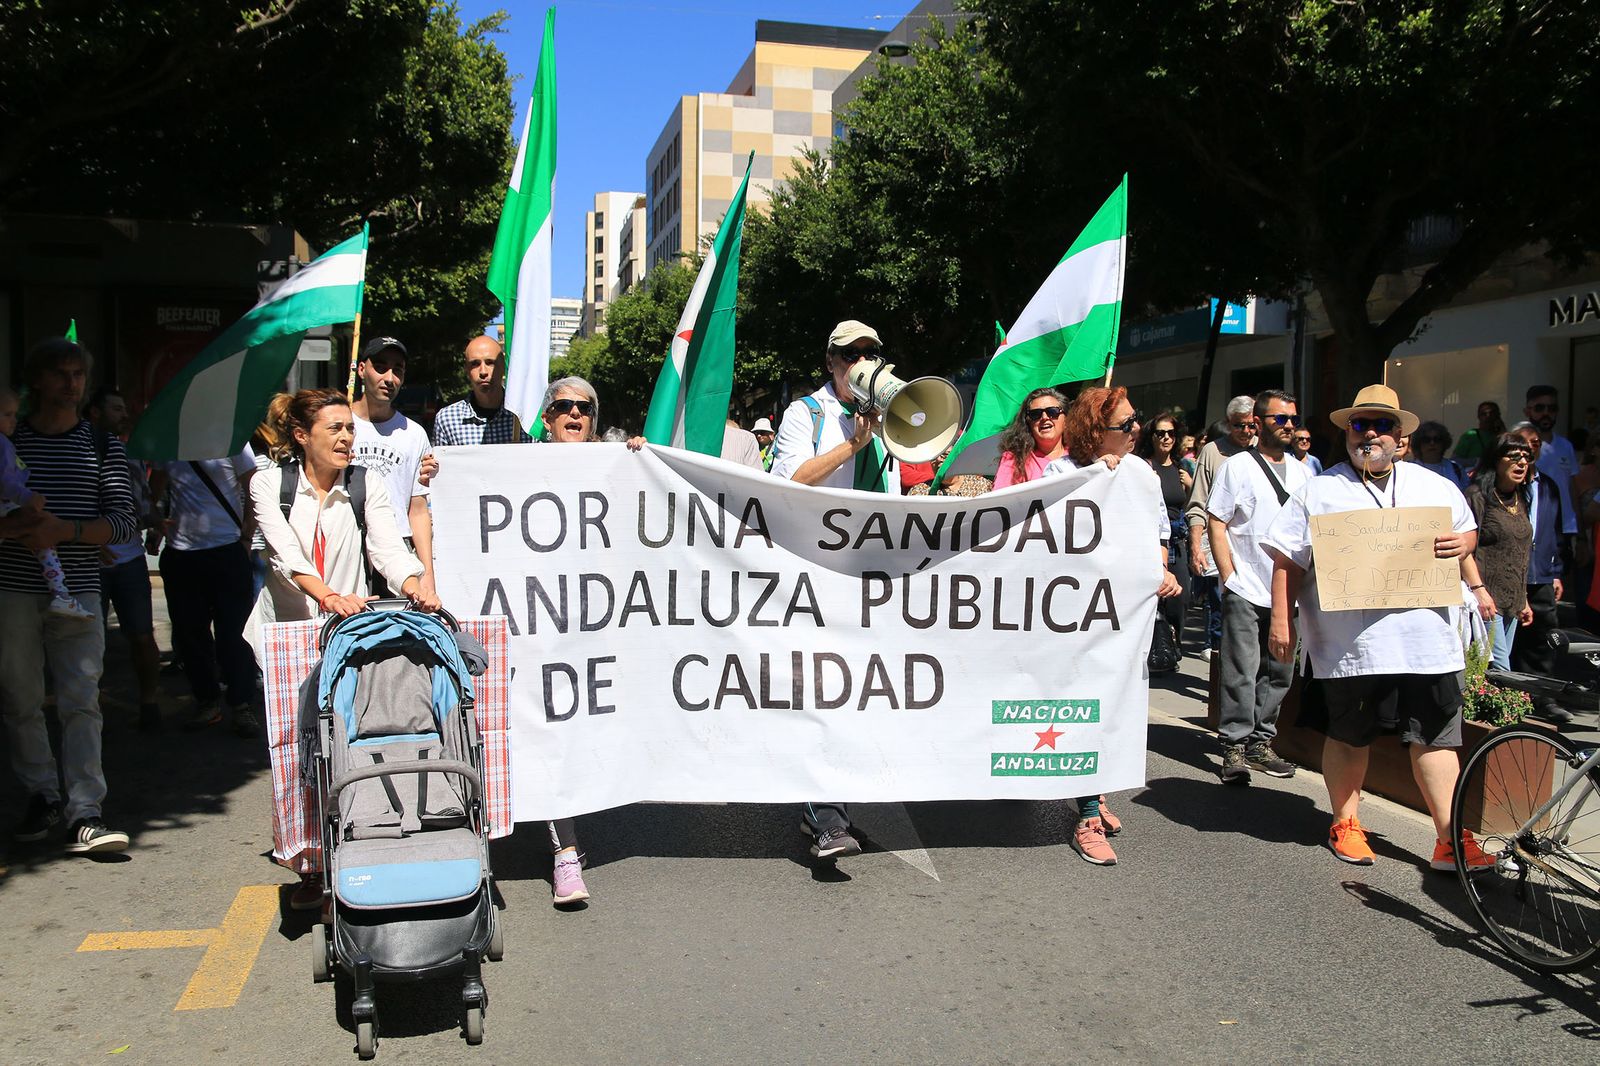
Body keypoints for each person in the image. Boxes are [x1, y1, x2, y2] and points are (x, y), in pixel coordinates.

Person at [1264, 384, 1495, 872]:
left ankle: (1450, 839)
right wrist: (1281, 622)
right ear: (1347, 432)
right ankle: (1345, 822)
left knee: (1436, 738)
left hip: (1428, 641)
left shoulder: (1436, 486)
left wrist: (1464, 544)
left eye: (1382, 425)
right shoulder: (1319, 490)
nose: (1370, 433)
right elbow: (1287, 560)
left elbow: (1467, 529)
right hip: (1353, 646)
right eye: (1359, 424)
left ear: (1402, 438)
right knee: (1350, 734)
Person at [247, 388, 439, 909]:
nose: (346, 437)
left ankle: (351, 850)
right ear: (301, 436)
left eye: (348, 429)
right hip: (290, 634)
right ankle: (309, 863)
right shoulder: (269, 482)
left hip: (347, 635)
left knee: (343, 743)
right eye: (334, 429)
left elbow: (386, 546)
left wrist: (418, 586)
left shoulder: (365, 481)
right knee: (296, 749)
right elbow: (285, 555)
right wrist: (328, 595)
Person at [768, 320, 900, 862]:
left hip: (870, 574)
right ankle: (827, 816)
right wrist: (852, 445)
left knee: (861, 696)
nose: (859, 364)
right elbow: (792, 480)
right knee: (826, 693)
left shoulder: (888, 414)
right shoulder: (808, 413)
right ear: (831, 363)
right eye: (850, 356)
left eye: (870, 354)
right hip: (816, 575)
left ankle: (825, 810)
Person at [0, 338, 138, 854]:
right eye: (59, 374)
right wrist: (15, 531)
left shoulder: (101, 444)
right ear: (36, 381)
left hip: (77, 590)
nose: (71, 384)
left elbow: (125, 524)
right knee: (20, 699)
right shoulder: (11, 441)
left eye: (78, 375)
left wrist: (64, 531)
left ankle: (86, 811)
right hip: (12, 588)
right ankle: (42, 794)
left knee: (82, 700)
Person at [1042, 388, 1181, 865]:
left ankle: (1095, 791)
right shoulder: (1061, 473)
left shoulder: (1142, 473)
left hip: (1122, 619)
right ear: (1094, 432)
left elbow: (1158, 533)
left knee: (1110, 707)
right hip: (1074, 619)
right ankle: (1086, 816)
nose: (1136, 430)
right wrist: (1095, 482)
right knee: (1081, 708)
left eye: (1135, 420)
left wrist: (1162, 571)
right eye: (1125, 425)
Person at [1206, 389, 1311, 783]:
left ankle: (1260, 743)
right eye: (1279, 419)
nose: (1287, 426)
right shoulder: (1239, 467)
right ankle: (1233, 745)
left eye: (1292, 420)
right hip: (1247, 584)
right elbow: (1218, 519)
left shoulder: (1303, 472)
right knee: (1241, 668)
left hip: (1289, 589)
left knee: (1279, 671)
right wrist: (1228, 575)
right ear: (1258, 423)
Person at [149, 446, 260, 736]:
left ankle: (241, 705)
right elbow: (155, 490)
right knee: (190, 634)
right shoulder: (171, 439)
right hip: (181, 553)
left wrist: (247, 536)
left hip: (227, 550)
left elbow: (255, 489)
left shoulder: (232, 439)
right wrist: (155, 524)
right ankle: (207, 702)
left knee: (235, 634)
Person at [84, 387, 163, 731]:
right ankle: (89, 706)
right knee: (88, 639)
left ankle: (150, 702)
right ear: (95, 413)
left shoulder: (127, 449)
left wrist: (155, 523)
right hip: (88, 562)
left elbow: (139, 501)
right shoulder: (83, 449)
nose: (123, 414)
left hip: (128, 559)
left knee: (142, 635)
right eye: (115, 408)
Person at [350, 336, 436, 600]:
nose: (389, 377)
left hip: (397, 552)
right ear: (362, 369)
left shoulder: (414, 434)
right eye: (380, 366)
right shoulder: (341, 426)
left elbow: (418, 509)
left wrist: (427, 576)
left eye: (397, 369)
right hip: (348, 549)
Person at [0, 386, 94, 621]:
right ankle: (61, 593)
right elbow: (4, 481)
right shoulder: (2, 444)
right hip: (8, 505)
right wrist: (26, 497)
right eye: (7, 414)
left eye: (14, 414)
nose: (13, 421)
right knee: (44, 535)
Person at [1507, 421, 1576, 724]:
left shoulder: (1546, 485)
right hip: (1510, 575)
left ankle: (1543, 699)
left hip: (1542, 573)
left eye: (1534, 444)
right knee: (1509, 641)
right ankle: (1511, 700)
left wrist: (1557, 571)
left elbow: (1555, 531)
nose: (1528, 451)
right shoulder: (1506, 487)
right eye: (1522, 445)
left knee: (1544, 638)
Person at [1184, 397, 1257, 660]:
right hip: (1220, 547)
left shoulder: (1264, 450)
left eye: (1251, 426)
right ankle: (1220, 673)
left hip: (1257, 551)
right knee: (1223, 609)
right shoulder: (1213, 452)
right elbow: (1198, 503)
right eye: (1240, 426)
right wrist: (1195, 546)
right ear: (1229, 424)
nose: (1247, 432)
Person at [1464, 434, 1534, 670]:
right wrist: (1478, 591)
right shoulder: (1477, 496)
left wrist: (1523, 600)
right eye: (1514, 456)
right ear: (1496, 460)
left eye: (1527, 457)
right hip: (1486, 599)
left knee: (1491, 673)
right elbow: (1464, 551)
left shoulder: (1520, 497)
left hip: (1512, 600)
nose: (1522, 462)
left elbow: (1519, 551)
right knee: (1501, 670)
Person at [1134, 411, 1191, 652]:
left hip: (1177, 541)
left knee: (1181, 597)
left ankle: (1172, 639)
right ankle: (1158, 648)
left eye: (1171, 433)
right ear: (1152, 436)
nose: (1166, 438)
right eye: (1160, 433)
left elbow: (1190, 507)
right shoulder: (1144, 466)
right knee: (1155, 597)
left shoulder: (1182, 468)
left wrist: (1189, 486)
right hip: (1152, 541)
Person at [432, 336, 527, 446]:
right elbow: (441, 461)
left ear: (503, 366)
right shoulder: (447, 419)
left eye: (490, 362)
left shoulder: (524, 416)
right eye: (475, 364)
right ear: (466, 369)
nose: (483, 372)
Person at [1524, 385, 1578, 527]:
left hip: (1565, 526)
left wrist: (1581, 534)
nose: (1546, 413)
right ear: (1527, 411)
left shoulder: (1565, 446)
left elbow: (1571, 489)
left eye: (1552, 408)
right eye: (1539, 408)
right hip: (1532, 527)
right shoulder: (1519, 446)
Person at [995, 387, 1069, 487]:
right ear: (1028, 423)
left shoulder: (1082, 456)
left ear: (1066, 419)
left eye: (1052, 412)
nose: (1044, 417)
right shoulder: (1014, 460)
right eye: (1036, 414)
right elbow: (1002, 499)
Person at [1408, 420, 1469, 491]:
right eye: (1426, 440)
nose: (1432, 443)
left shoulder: (1456, 468)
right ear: (1419, 443)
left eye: (1437, 439)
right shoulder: (1409, 469)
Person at [1453, 401, 1505, 469]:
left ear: (1498, 416)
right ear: (1478, 416)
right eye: (1484, 414)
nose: (1488, 416)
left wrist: (1502, 429)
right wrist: (1476, 461)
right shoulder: (1470, 435)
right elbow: (1455, 460)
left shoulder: (1502, 436)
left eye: (1492, 413)